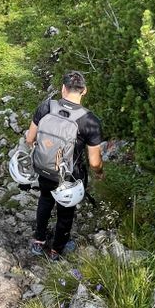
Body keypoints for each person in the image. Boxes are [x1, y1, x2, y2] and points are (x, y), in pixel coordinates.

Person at [25, 70, 104, 258]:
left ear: (63, 89)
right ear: (84, 91)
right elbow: (94, 162)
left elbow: (30, 138)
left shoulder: (46, 107)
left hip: (45, 169)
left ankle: (39, 241)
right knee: (66, 212)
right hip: (70, 175)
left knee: (45, 199)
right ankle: (56, 250)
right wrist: (100, 173)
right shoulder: (90, 121)